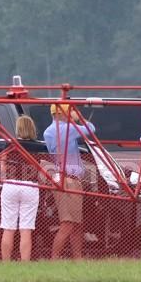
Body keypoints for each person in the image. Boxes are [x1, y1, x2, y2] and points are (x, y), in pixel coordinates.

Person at [44, 103, 93, 259]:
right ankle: (55, 259)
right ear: (65, 114)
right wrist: (78, 119)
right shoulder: (68, 129)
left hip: (63, 178)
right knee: (68, 224)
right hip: (70, 180)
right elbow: (91, 128)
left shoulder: (49, 131)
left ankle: (77, 258)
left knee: (76, 224)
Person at [0, 115, 43, 261]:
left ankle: (6, 263)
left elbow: (3, 168)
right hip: (30, 186)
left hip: (11, 185)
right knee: (26, 228)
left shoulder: (10, 144)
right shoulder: (37, 146)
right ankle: (25, 263)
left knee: (8, 227)